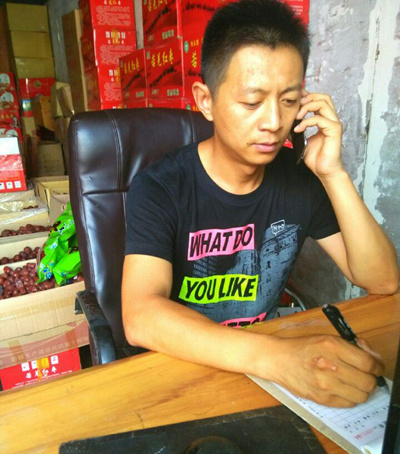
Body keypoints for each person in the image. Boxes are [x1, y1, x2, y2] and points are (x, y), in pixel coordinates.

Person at [122, 0, 399, 407]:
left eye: (289, 101)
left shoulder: (300, 181)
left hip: (263, 367)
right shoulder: (160, 187)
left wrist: (333, 174)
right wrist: (279, 359)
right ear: (205, 100)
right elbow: (140, 315)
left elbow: (383, 281)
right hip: (186, 365)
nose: (273, 122)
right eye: (252, 102)